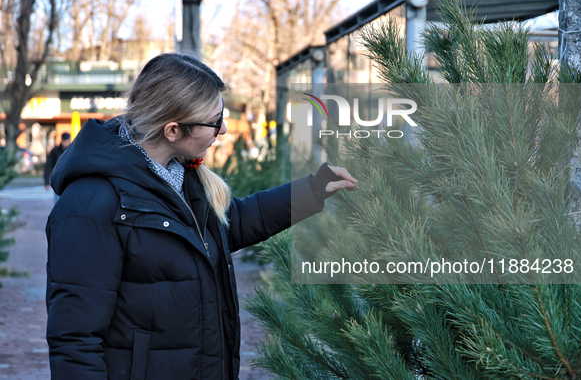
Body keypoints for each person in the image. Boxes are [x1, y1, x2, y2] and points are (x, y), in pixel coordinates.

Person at [45, 53, 357, 380]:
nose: (222, 130)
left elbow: (230, 223)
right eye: (214, 121)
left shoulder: (179, 178)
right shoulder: (90, 206)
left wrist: (312, 190)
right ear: (173, 130)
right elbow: (74, 341)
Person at [44, 132, 71, 202]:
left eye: (66, 140)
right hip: (58, 179)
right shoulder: (55, 151)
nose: (65, 142)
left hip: (70, 179)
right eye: (64, 140)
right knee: (58, 201)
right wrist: (47, 182)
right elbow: (48, 166)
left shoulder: (73, 150)